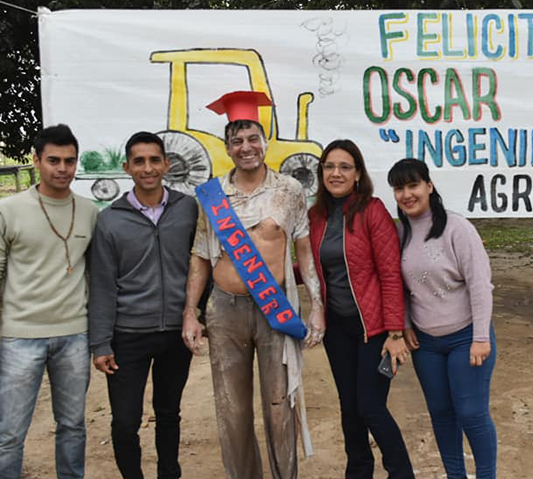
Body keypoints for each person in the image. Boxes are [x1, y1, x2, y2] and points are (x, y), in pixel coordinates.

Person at [181, 91, 325, 479]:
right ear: (228, 148)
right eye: (237, 141)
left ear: (264, 142)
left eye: (252, 139)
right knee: (232, 409)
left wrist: (317, 306)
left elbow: (304, 253)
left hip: (273, 309)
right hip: (224, 311)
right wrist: (190, 313)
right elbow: (199, 256)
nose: (246, 147)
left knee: (280, 406)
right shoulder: (211, 196)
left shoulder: (289, 191)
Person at [87, 131, 198, 479]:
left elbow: (202, 265)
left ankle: (170, 474)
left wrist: (199, 313)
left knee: (168, 413)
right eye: (139, 161)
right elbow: (102, 284)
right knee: (124, 423)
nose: (148, 168)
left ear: (167, 164)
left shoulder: (188, 209)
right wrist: (101, 342)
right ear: (127, 167)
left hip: (174, 334)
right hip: (127, 335)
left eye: (154, 160)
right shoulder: (110, 220)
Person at [308, 140, 414, 479]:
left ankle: (402, 473)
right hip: (337, 329)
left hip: (374, 329)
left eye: (344, 167)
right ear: (321, 172)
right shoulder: (316, 216)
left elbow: (390, 272)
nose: (335, 173)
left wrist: (395, 331)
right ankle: (358, 473)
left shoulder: (373, 210)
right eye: (329, 166)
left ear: (357, 175)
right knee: (349, 409)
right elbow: (313, 267)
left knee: (370, 407)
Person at [0, 124, 99, 479]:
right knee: (9, 434)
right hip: (19, 337)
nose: (62, 169)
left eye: (69, 161)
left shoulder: (90, 211)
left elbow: (94, 274)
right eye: (53, 160)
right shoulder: (8, 210)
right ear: (36, 161)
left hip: (74, 335)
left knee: (72, 427)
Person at [387, 158, 497, 479]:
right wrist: (404, 323)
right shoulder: (400, 233)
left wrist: (480, 337)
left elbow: (480, 284)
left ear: (429, 186)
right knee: (442, 414)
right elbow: (398, 285)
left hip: (466, 338)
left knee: (472, 413)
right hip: (427, 344)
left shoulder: (457, 228)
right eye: (399, 188)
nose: (407, 194)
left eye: (413, 185)